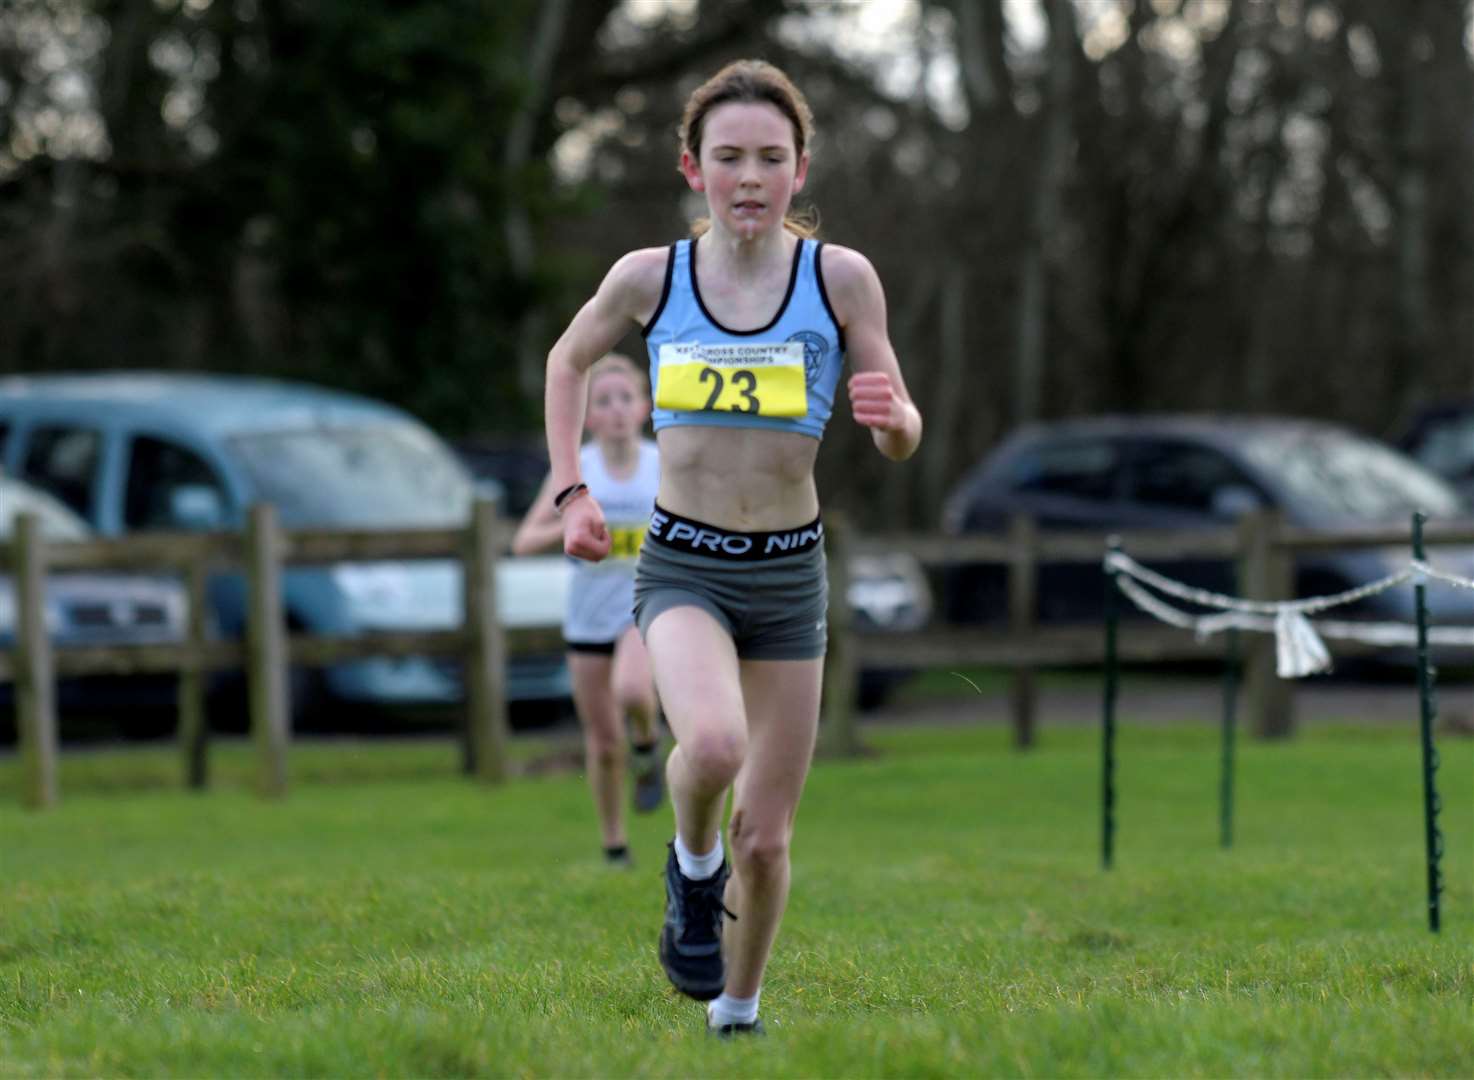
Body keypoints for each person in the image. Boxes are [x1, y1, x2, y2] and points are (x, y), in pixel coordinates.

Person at [540, 59, 921, 1036]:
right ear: (691, 166)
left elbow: (898, 421)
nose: (747, 176)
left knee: (770, 834)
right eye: (727, 158)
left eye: (769, 157)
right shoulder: (648, 277)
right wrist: (572, 489)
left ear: (799, 171)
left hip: (789, 574)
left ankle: (736, 1014)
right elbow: (567, 361)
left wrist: (893, 420)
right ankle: (689, 865)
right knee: (710, 745)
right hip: (684, 565)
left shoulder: (839, 278)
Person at [513, 353, 665, 866]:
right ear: (588, 415)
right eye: (604, 401)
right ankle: (614, 845)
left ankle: (647, 744)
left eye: (626, 398)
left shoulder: (662, 467)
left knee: (632, 688)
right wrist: (572, 522)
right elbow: (523, 540)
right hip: (587, 619)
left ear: (644, 408)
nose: (617, 409)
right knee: (601, 743)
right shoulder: (577, 472)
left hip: (645, 609)